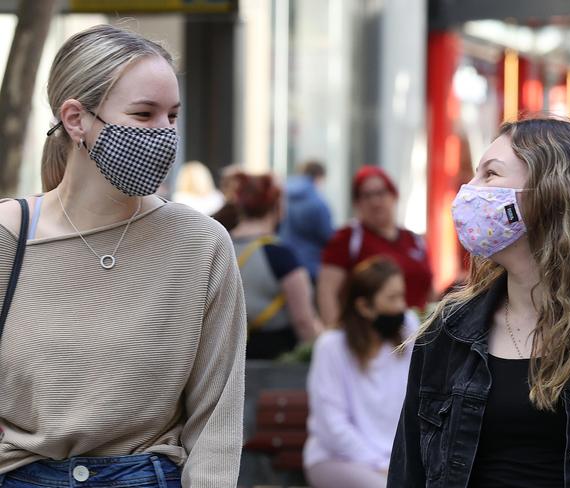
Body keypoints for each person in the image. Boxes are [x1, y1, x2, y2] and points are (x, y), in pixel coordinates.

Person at [0, 25, 246, 487]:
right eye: (143, 114)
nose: (165, 134)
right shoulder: (8, 237)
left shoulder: (201, 244)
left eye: (172, 116)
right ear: (76, 119)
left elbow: (216, 420)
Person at [388, 117, 570, 487]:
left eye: (490, 175)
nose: (468, 190)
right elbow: (408, 471)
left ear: (552, 193)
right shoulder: (450, 330)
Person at [304, 257, 418, 488]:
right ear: (364, 306)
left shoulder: (408, 331)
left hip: (396, 460)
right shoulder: (331, 347)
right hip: (337, 459)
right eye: (391, 298)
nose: (401, 307)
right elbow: (332, 425)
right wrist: (380, 463)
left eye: (402, 296)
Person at [318, 165, 433, 326]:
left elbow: (429, 292)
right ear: (357, 203)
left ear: (394, 196)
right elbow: (327, 291)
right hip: (367, 341)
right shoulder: (348, 238)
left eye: (381, 193)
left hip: (415, 336)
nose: (375, 202)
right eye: (366, 195)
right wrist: (337, 338)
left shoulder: (415, 240)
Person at [231, 173, 322, 359]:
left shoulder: (220, 247)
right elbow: (303, 321)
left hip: (229, 358)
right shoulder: (279, 255)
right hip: (275, 361)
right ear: (278, 207)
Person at [279, 160, 333, 283]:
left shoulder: (283, 195)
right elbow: (327, 236)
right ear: (319, 177)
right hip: (310, 265)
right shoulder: (317, 202)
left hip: (284, 263)